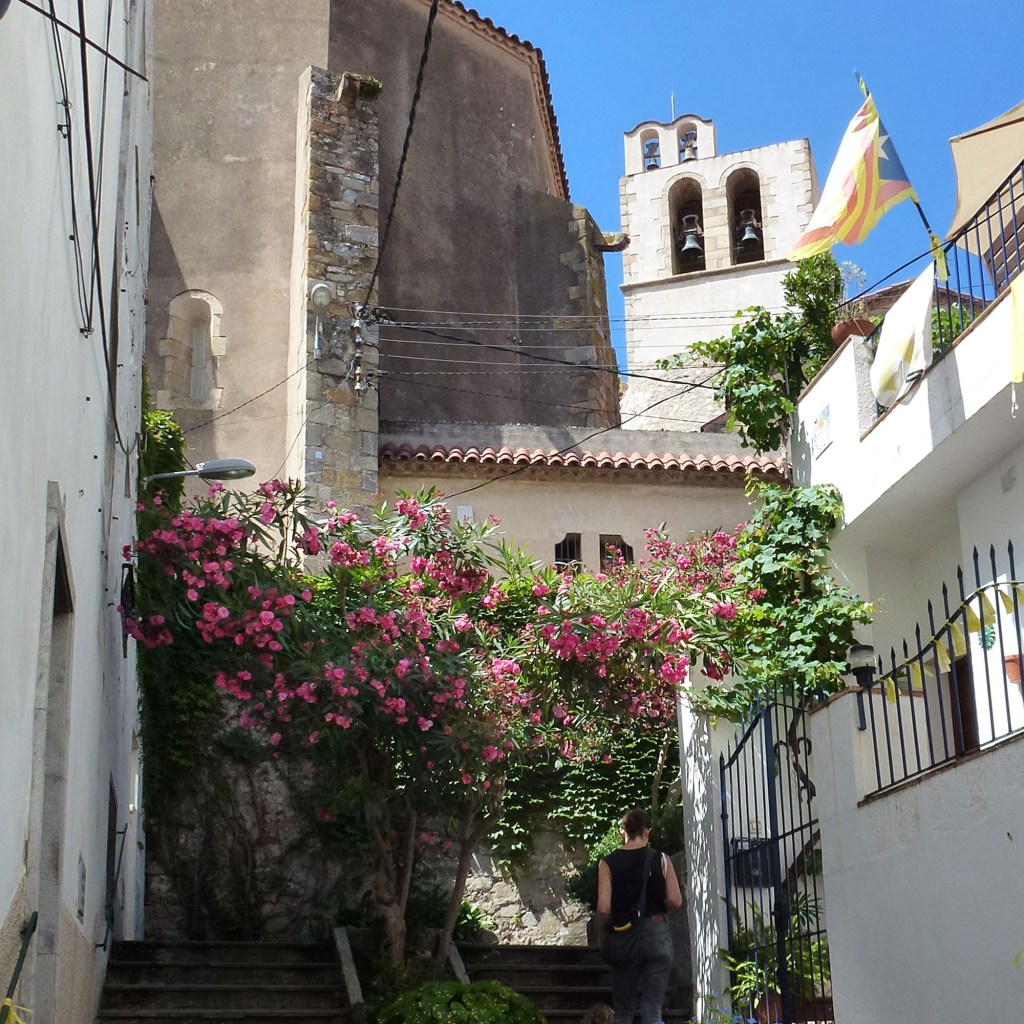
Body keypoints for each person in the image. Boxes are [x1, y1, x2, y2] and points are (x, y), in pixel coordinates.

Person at [595, 808, 683, 1024]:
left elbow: (603, 908)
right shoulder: (661, 859)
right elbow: (675, 900)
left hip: (624, 937)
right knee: (652, 1010)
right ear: (648, 831)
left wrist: (601, 933)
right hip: (656, 934)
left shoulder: (607, 863)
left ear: (621, 831)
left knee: (624, 1010)